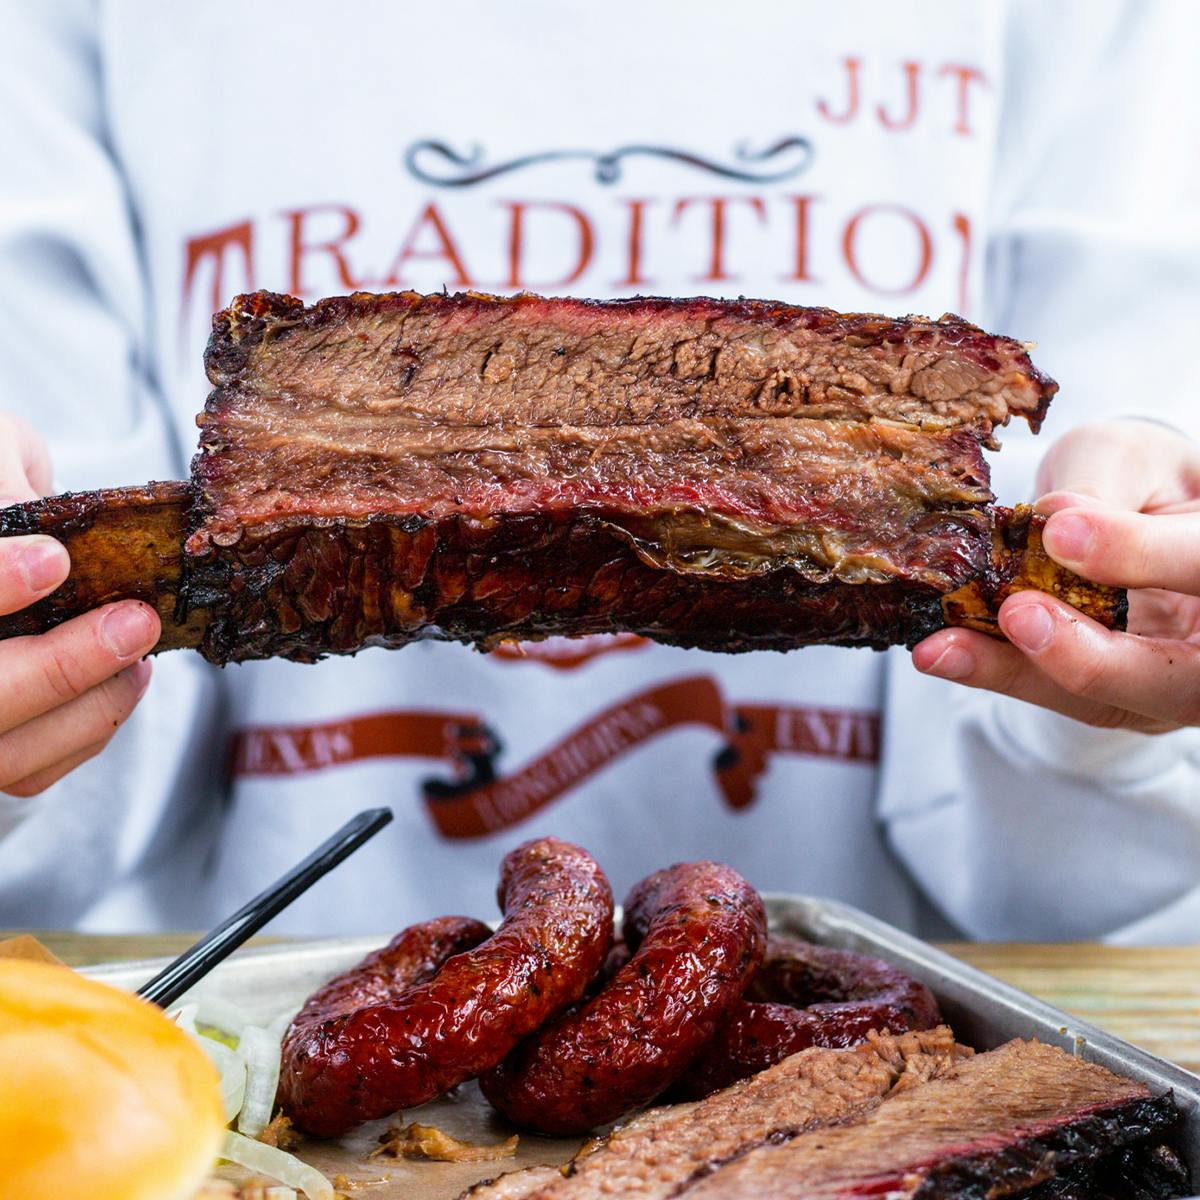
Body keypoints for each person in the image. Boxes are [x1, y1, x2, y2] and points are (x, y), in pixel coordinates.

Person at [0, 0, 1198, 939]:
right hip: (233, 1047)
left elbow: (1096, 838)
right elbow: (89, 695)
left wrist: (1114, 673)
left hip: (894, 1027)